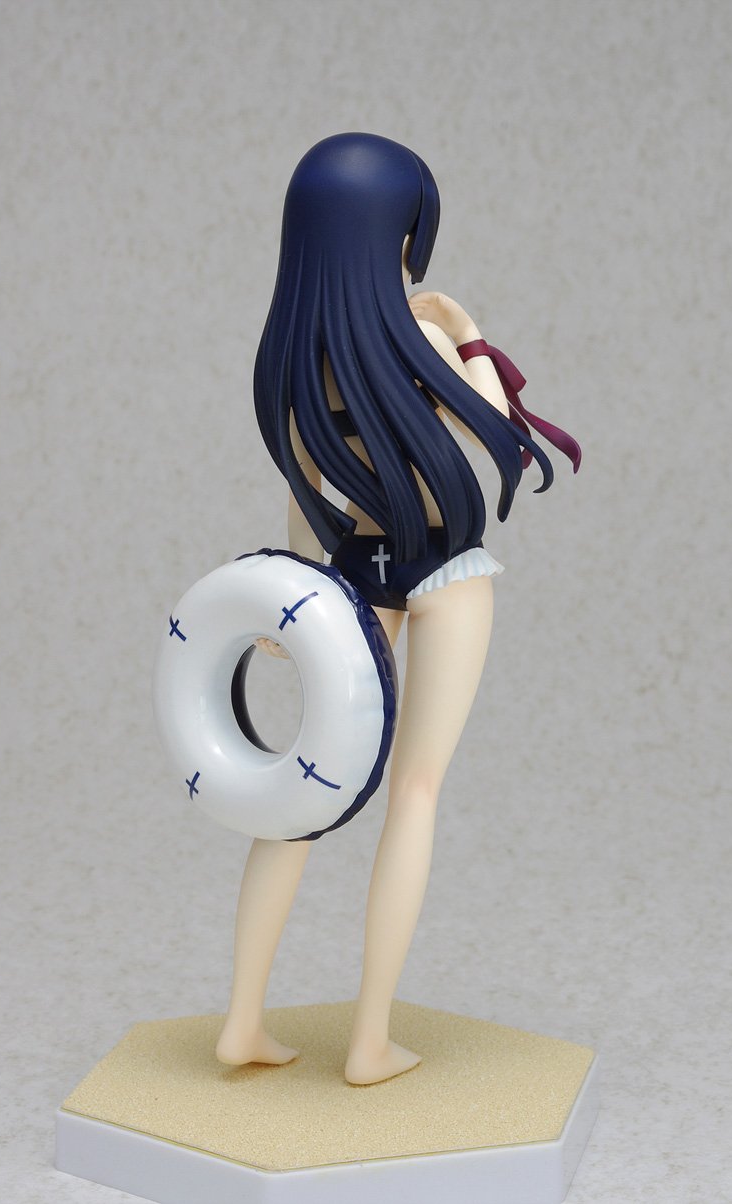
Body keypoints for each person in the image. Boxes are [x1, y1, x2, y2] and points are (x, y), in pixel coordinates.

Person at [215, 133, 580, 1085]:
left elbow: (303, 492)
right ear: (399, 238)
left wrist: (299, 593)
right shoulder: (424, 340)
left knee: (305, 794)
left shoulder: (303, 360)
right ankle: (369, 1042)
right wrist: (465, 327)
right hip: (445, 567)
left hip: (353, 571)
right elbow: (497, 431)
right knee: (414, 793)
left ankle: (241, 1020)